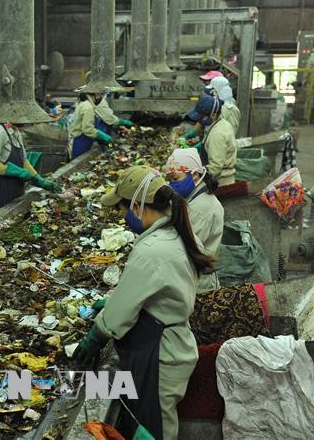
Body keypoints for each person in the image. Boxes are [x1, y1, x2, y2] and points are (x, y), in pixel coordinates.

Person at [73, 166, 215, 440]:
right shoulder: (176, 233)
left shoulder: (151, 249)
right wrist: (114, 300)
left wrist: (95, 337)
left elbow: (119, 316)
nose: (120, 215)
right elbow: (148, 291)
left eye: (122, 208)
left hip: (159, 357)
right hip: (168, 346)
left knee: (153, 434)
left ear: (138, 206)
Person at [166, 148, 224, 292]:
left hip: (197, 283)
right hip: (193, 277)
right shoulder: (196, 197)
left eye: (175, 179)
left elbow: (184, 250)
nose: (172, 185)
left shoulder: (200, 209)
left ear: (195, 175)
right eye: (170, 179)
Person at [0, 122, 61, 213]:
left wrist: (40, 180)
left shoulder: (16, 131)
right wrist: (18, 171)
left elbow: (23, 161)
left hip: (16, 188)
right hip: (0, 191)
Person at [188, 96, 236, 187]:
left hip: (220, 184)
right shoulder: (220, 123)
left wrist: (191, 178)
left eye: (201, 117)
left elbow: (215, 168)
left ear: (213, 115)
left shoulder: (217, 134)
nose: (199, 120)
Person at [68, 88, 113, 159]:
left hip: (81, 140)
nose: (102, 98)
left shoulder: (84, 104)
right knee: (79, 165)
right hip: (80, 142)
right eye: (102, 95)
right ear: (97, 95)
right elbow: (87, 129)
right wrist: (101, 135)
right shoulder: (88, 107)